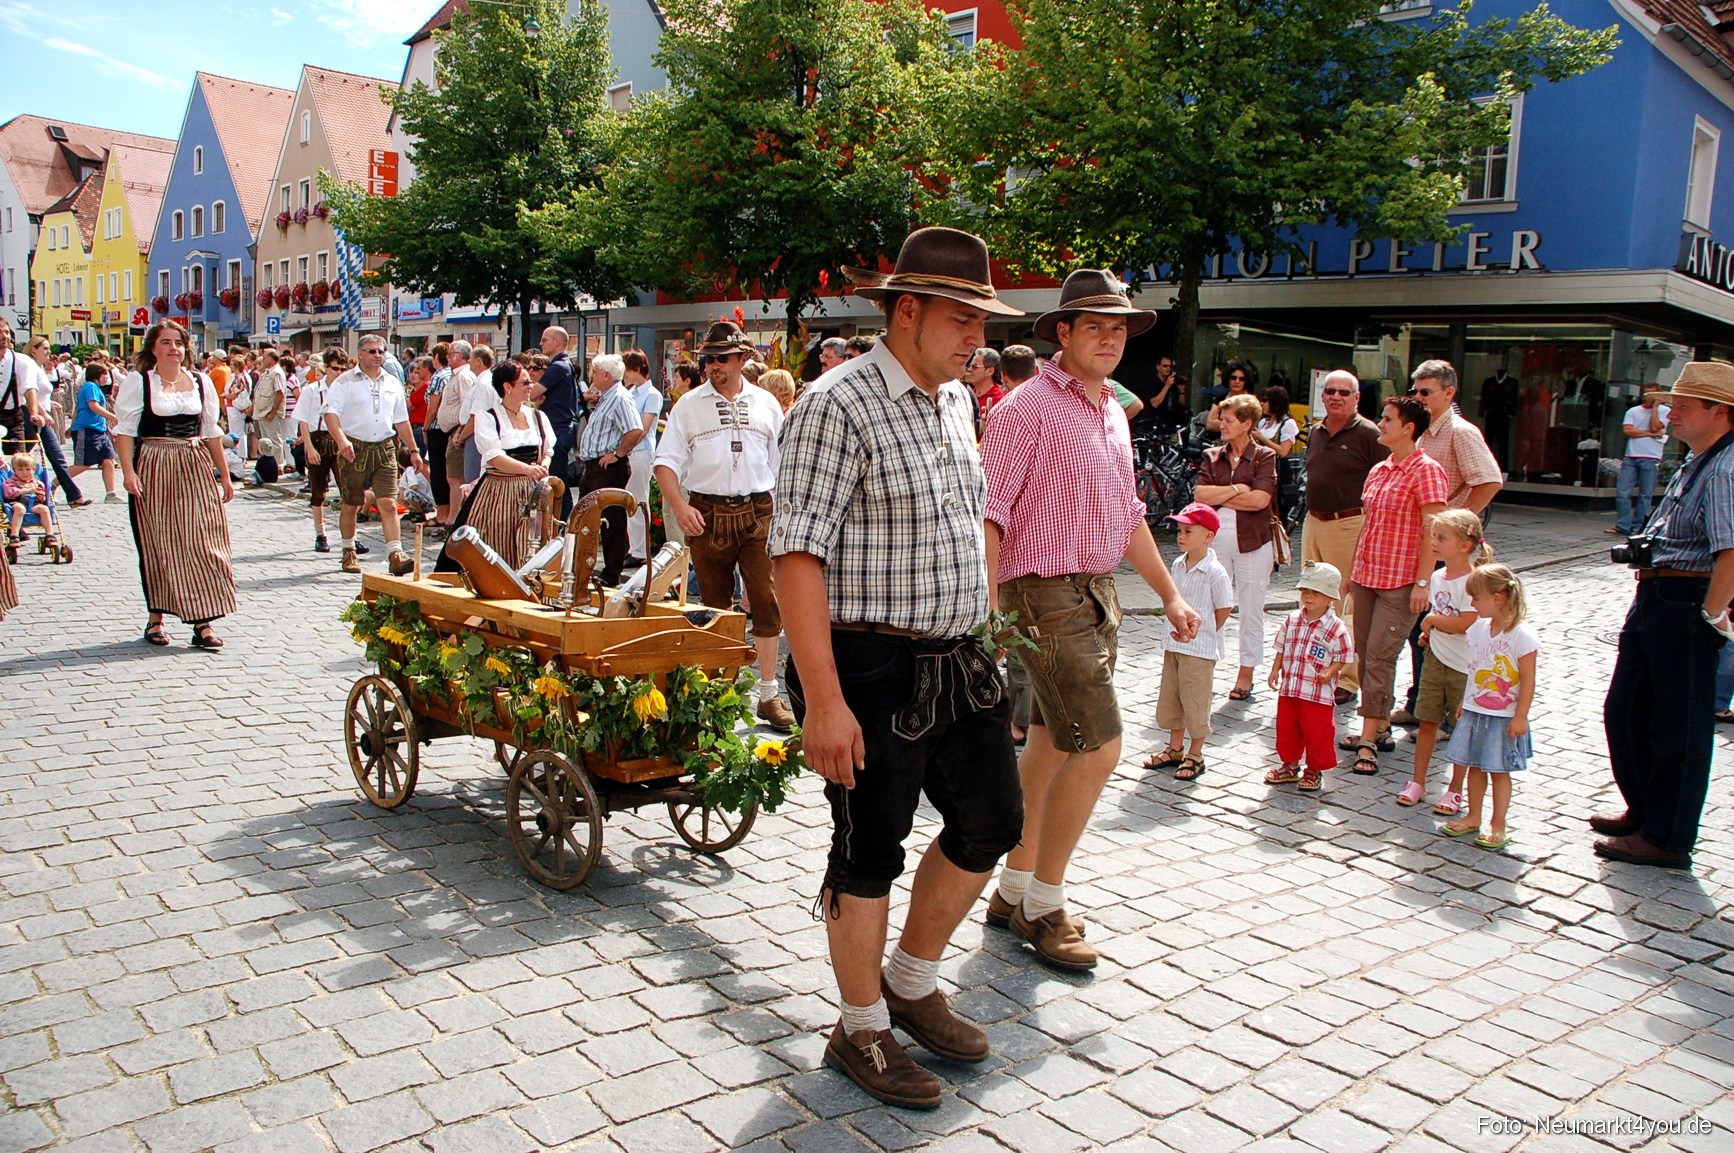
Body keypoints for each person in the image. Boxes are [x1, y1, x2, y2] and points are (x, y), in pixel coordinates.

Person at [772, 226, 1026, 1109]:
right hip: (866, 661)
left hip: (958, 654)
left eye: (981, 322)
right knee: (869, 845)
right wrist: (824, 701)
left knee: (993, 819)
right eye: (961, 319)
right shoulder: (834, 403)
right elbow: (796, 555)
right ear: (906, 310)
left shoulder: (958, 399)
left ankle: (911, 980)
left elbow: (969, 521)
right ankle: (862, 1024)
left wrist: (987, 626)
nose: (974, 339)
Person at [980, 268, 1202, 973]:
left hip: (1096, 590)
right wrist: (985, 611)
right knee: (1099, 747)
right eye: (1095, 325)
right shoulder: (1023, 409)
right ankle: (1045, 903)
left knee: (1048, 746)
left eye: (1119, 327)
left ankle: (1012, 888)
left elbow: (1128, 513)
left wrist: (1169, 593)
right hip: (1040, 595)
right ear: (1063, 333)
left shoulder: (1109, 408)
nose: (1110, 337)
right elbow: (990, 512)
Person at [1596, 361, 1734, 870]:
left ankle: (1668, 836)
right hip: (1660, 596)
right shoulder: (1701, 458)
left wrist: (1711, 616)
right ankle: (1646, 812)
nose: (1670, 414)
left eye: (1683, 406)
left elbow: (1731, 550)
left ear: (1719, 412)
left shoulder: (1725, 467)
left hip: (1685, 601)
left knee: (1678, 723)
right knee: (1628, 709)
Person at [654, 324, 793, 728]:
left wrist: (783, 509)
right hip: (707, 513)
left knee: (766, 603)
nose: (713, 365)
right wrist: (679, 506)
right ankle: (720, 693)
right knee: (715, 607)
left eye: (721, 358)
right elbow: (666, 462)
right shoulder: (689, 405)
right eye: (708, 359)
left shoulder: (767, 403)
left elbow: (781, 463)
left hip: (758, 510)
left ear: (742, 360)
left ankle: (768, 694)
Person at [1393, 360, 1504, 725]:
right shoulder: (1424, 430)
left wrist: (1457, 526)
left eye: (1425, 392)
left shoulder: (1460, 431)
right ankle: (1420, 703)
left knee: (1443, 627)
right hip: (1420, 545)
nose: (1418, 397)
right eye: (1415, 390)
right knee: (1420, 629)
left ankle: (1445, 712)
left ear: (1449, 392)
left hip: (1446, 552)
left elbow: (1489, 480)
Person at [114, 321, 236, 650]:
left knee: (204, 541)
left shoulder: (201, 381)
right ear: (153, 348)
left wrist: (224, 475)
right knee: (159, 542)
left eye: (178, 342)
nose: (173, 348)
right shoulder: (139, 382)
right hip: (154, 462)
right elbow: (125, 431)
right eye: (166, 342)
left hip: (194, 464)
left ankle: (204, 621)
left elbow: (211, 431)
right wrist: (128, 472)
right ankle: (156, 618)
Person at [1344, 396, 1448, 775]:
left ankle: (1368, 738)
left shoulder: (1427, 470)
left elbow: (1432, 532)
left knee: (1379, 657)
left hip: (1402, 581)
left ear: (1408, 428)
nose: (1380, 424)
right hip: (1368, 576)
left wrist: (1424, 581)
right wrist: (1352, 575)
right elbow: (1368, 524)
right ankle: (1381, 724)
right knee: (1364, 650)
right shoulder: (1379, 470)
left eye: (1387, 419)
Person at [1301, 370, 1389, 705]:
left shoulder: (1369, 434)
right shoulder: (1317, 432)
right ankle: (1316, 666)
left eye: (1344, 392)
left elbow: (1383, 482)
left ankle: (1348, 680)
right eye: (1330, 391)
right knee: (1311, 596)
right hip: (1315, 523)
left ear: (1356, 398)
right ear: (1322, 395)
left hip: (1350, 523)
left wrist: (1371, 530)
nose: (1336, 397)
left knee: (1346, 602)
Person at [1395, 510, 1489, 812]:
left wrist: (1431, 621)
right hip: (1436, 658)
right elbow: (1443, 619)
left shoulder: (1474, 580)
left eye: (1441, 538)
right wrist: (1430, 633)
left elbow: (1464, 622)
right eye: (1433, 536)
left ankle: (1455, 788)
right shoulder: (1437, 576)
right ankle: (1418, 781)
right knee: (1427, 723)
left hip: (1465, 666)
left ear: (1465, 545)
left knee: (1461, 728)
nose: (1433, 543)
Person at [1440, 564, 1536, 849]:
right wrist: (1463, 701)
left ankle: (1498, 822)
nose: (1472, 604)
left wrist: (1521, 716)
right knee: (1474, 767)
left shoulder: (1521, 635)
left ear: (1498, 598)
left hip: (1503, 716)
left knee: (1498, 771)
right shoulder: (1480, 629)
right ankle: (1473, 815)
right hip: (1475, 710)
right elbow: (1475, 669)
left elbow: (1528, 679)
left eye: (1477, 598)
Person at [1194, 392, 1279, 700]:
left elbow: (1260, 501)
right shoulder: (1212, 455)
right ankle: (1206, 663)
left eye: (1228, 420)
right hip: (1215, 543)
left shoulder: (1264, 456)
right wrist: (1236, 488)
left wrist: (1222, 495)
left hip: (1253, 544)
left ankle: (1246, 672)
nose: (1221, 425)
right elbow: (1200, 495)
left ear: (1247, 424)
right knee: (1211, 606)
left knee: (1251, 608)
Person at [1143, 502, 1235, 781]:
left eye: (1188, 531)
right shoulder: (1177, 564)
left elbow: (1224, 607)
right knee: (1173, 697)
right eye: (1179, 531)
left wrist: (1206, 632)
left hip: (1199, 648)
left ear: (1208, 536)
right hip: (1174, 644)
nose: (1181, 536)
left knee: (1195, 701)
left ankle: (1196, 753)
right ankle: (1175, 748)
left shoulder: (1215, 572)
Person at [434, 360, 553, 571]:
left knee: (532, 542)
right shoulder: (488, 417)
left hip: (534, 490)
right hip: (500, 489)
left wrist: (543, 464)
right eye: (524, 383)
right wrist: (527, 469)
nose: (530, 386)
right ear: (507, 387)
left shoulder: (537, 416)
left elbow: (547, 450)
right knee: (499, 539)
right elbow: (494, 456)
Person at [321, 334, 424, 576]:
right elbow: (331, 415)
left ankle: (395, 554)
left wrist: (414, 450)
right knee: (352, 503)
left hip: (385, 447)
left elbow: (401, 419)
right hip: (354, 448)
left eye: (381, 351)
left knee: (388, 502)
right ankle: (348, 551)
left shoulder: (392, 382)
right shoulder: (345, 382)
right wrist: (342, 440)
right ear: (360, 354)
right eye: (372, 351)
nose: (378, 355)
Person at [1263, 562, 1354, 793]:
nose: (1308, 597)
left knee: (1318, 732)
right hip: (1291, 687)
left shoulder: (1336, 628)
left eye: (1315, 592)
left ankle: (1314, 769)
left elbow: (1344, 655)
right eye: (1305, 591)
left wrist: (1331, 672)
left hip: (1317, 692)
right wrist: (1275, 669)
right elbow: (1281, 646)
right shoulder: (1292, 619)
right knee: (1287, 728)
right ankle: (1290, 765)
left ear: (1330, 597)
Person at [575, 353, 646, 588]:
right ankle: (586, 564)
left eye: (594, 372)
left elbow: (635, 430)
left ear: (606, 375)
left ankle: (611, 572)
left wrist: (618, 454)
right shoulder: (606, 396)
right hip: (594, 467)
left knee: (611, 520)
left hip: (608, 468)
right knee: (588, 517)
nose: (591, 376)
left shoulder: (619, 397)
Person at [11, 330, 88, 505]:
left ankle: (74, 495)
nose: (48, 352)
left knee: (55, 456)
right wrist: (44, 413)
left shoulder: (38, 367)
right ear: (34, 350)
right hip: (32, 415)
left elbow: (42, 394)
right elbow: (30, 393)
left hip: (41, 415)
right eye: (44, 348)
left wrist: (50, 404)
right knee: (23, 456)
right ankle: (15, 490)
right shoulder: (29, 365)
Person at [531, 326, 580, 517]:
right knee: (556, 482)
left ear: (557, 342)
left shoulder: (558, 366)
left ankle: (564, 528)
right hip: (559, 428)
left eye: (544, 340)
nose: (541, 343)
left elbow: (532, 393)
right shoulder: (563, 365)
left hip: (558, 429)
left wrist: (535, 395)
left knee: (559, 483)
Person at [1611, 388, 1670, 536]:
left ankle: (1639, 526)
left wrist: (1655, 408)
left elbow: (1655, 426)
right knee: (1623, 492)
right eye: (1646, 393)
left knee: (1645, 494)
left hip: (1652, 457)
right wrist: (1650, 434)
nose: (1647, 396)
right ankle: (1622, 525)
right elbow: (1628, 431)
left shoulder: (1664, 411)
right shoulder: (1633, 411)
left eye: (1652, 394)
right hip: (1631, 456)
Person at [623, 349, 663, 565]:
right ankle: (632, 547)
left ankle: (640, 552)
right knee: (628, 500)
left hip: (639, 453)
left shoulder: (652, 395)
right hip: (629, 452)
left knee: (638, 500)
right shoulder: (630, 393)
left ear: (637, 369)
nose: (624, 375)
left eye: (627, 370)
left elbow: (644, 428)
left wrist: (625, 447)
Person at [68, 364, 120, 502]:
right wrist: (114, 417)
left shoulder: (95, 388)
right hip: (87, 429)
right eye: (105, 375)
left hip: (99, 430)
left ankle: (111, 493)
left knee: (109, 460)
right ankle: (53, 484)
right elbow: (93, 406)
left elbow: (78, 409)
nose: (108, 378)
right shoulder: (90, 386)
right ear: (98, 374)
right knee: (83, 463)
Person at [457, 345, 497, 485]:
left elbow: (476, 418)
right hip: (471, 433)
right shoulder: (480, 381)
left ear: (479, 361)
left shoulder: (483, 384)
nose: (469, 362)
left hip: (475, 435)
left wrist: (461, 438)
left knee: (473, 479)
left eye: (471, 359)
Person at [4, 452, 48, 540]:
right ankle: (14, 535)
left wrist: (42, 497)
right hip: (17, 502)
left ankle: (49, 534)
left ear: (33, 470)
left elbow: (43, 497)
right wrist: (26, 490)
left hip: (33, 504)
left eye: (28, 469)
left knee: (44, 509)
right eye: (20, 469)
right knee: (20, 508)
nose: (24, 472)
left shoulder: (37, 483)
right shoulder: (11, 481)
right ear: (14, 470)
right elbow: (9, 493)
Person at [1204, 359, 1255, 433]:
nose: (1237, 381)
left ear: (1246, 381)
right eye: (1233, 378)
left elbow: (1245, 428)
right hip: (1218, 440)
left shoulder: (1250, 401)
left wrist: (1218, 423)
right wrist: (1233, 424)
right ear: (1228, 379)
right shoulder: (1221, 398)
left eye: (1242, 379)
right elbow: (1209, 425)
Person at [965, 347, 1004, 432]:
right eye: (969, 366)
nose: (969, 370)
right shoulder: (965, 395)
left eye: (975, 366)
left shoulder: (1000, 401)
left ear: (990, 371)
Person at [1148, 352, 1188, 430]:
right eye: (1165, 366)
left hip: (1170, 423)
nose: (1168, 368)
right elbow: (1154, 404)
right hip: (1155, 423)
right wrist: (1167, 386)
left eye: (1170, 366)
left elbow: (1182, 404)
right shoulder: (1152, 383)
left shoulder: (1173, 384)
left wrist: (1181, 390)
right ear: (1158, 367)